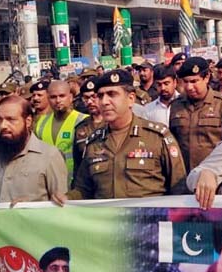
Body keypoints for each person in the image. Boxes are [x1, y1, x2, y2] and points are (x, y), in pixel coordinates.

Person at [69, 70, 186, 199]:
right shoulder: (94, 142)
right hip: (107, 217)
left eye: (112, 94)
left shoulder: (157, 137)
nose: (104, 102)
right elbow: (83, 189)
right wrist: (63, 200)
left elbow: (179, 187)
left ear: (131, 99)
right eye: (101, 96)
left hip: (148, 217)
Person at [0, 96, 68, 206]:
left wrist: (30, 207)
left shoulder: (50, 156)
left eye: (11, 119)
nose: (3, 126)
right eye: (0, 119)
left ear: (28, 121)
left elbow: (62, 203)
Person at [168, 57, 222, 171]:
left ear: (206, 78)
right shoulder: (176, 105)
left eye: (194, 81)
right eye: (186, 82)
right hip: (184, 176)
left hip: (216, 175)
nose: (189, 87)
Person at [33, 80, 86, 177]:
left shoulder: (83, 121)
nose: (58, 100)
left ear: (70, 97)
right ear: (48, 99)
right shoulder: (41, 123)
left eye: (62, 96)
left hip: (75, 184)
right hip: (49, 182)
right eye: (53, 97)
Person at [73, 78, 104, 176]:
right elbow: (78, 162)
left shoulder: (113, 123)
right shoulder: (81, 128)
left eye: (94, 97)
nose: (90, 101)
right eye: (86, 98)